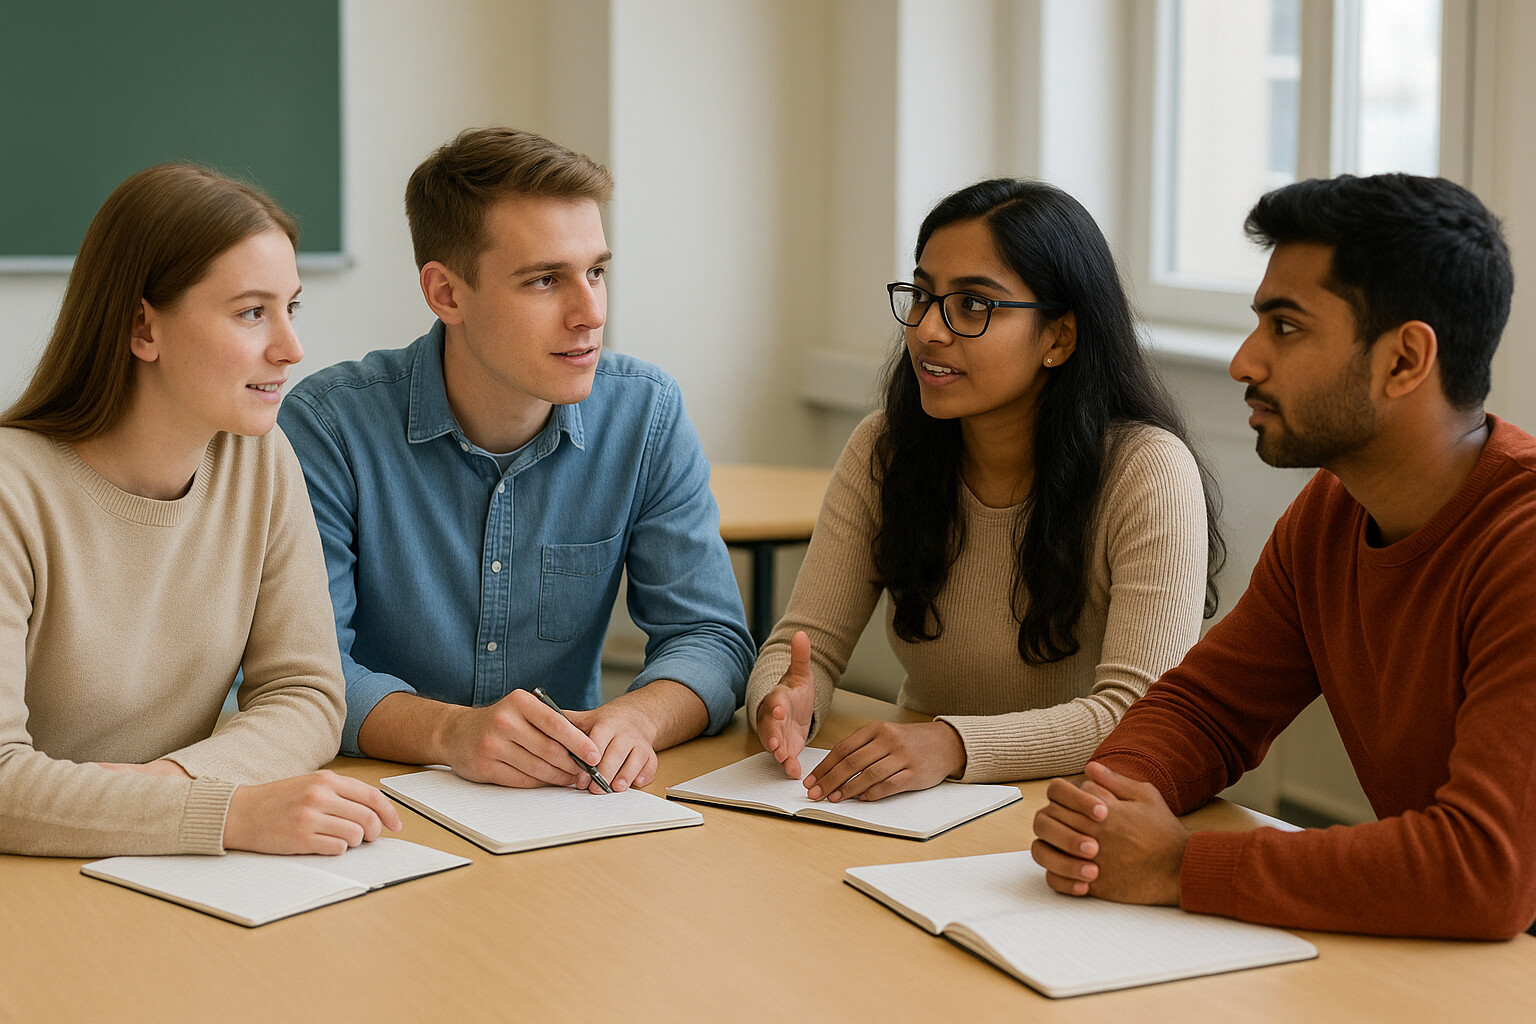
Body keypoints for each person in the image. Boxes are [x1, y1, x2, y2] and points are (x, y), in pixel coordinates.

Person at [1030, 173, 1536, 940]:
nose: (1244, 361)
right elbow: (1208, 709)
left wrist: (1178, 865)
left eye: (1286, 327)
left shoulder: (1523, 542)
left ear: (1404, 361)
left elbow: (1484, 870)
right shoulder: (1335, 513)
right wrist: (1107, 806)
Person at [279, 128, 754, 795]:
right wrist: (450, 733)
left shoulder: (646, 414)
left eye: (596, 271)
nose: (590, 313)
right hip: (375, 800)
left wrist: (636, 720)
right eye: (544, 280)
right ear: (446, 294)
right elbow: (302, 671)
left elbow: (711, 638)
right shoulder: (329, 427)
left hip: (565, 807)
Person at [747, 179, 1223, 802]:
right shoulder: (884, 448)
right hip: (923, 803)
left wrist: (953, 745)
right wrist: (782, 705)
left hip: (1078, 810)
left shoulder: (1148, 471)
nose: (927, 331)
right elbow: (803, 644)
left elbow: (1138, 712)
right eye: (921, 296)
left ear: (1059, 337)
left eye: (973, 305)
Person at [0, 164, 400, 856]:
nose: (291, 348)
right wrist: (227, 814)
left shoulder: (261, 458)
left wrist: (177, 783)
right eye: (252, 312)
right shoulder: (14, 492)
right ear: (141, 327)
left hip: (159, 871)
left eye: (291, 308)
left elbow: (306, 693)